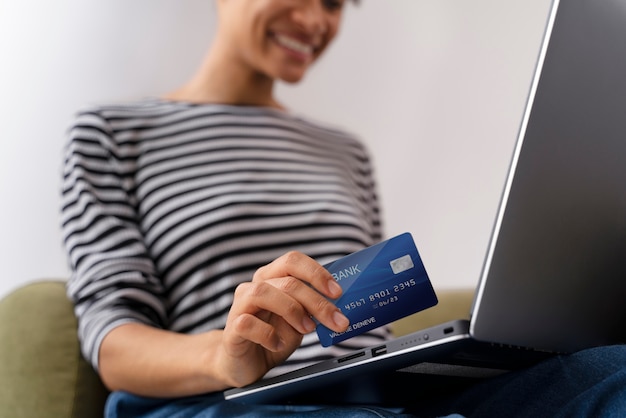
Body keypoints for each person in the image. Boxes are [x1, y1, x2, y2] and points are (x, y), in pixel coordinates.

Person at [61, 1, 626, 417]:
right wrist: (224, 356)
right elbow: (114, 341)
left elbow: (361, 318)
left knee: (611, 371)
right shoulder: (112, 134)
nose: (314, 22)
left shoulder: (345, 151)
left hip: (373, 392)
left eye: (334, 3)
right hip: (226, 397)